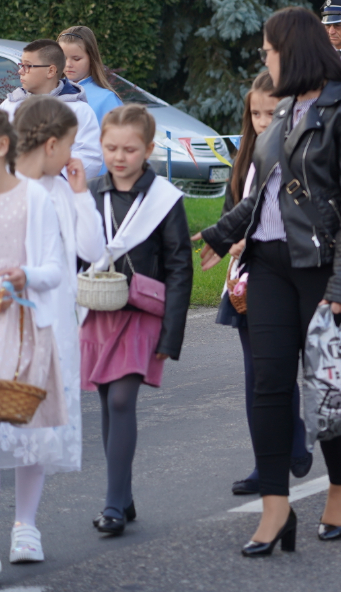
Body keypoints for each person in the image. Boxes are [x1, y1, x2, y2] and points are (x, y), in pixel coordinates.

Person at [199, 7, 341, 553]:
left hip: (322, 270)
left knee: (330, 389)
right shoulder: (280, 112)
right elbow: (263, 194)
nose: (264, 58)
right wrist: (217, 233)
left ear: (291, 52)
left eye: (269, 50)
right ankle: (276, 509)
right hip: (269, 265)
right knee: (268, 385)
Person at [84, 105, 191, 535]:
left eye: (129, 149)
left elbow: (180, 267)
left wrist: (172, 334)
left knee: (123, 400)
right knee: (107, 402)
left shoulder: (163, 199)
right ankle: (123, 497)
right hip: (97, 312)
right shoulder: (91, 193)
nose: (119, 156)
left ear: (147, 150)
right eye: (110, 148)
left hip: (143, 314)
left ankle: (111, 505)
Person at [3, 101, 103, 564]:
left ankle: (26, 524)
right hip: (10, 318)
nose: (73, 155)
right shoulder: (15, 191)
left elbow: (89, 252)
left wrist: (81, 194)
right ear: (50, 143)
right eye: (68, 145)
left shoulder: (60, 191)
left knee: (33, 425)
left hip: (44, 321)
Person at [213, 72, 313, 495]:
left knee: (281, 371)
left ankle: (295, 435)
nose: (262, 120)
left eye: (271, 112)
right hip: (245, 280)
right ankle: (265, 462)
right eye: (255, 113)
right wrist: (230, 238)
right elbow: (233, 207)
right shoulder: (246, 158)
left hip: (289, 272)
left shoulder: (301, 155)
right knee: (259, 376)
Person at [0, 40, 102, 178]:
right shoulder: (10, 104)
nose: (20, 71)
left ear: (51, 71)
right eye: (21, 65)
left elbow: (91, 157)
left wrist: (44, 170)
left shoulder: (79, 110)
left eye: (28, 66)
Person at [57, 26, 123, 122]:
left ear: (91, 58)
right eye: (63, 58)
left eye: (76, 59)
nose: (68, 64)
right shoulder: (50, 93)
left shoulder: (107, 99)